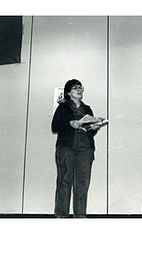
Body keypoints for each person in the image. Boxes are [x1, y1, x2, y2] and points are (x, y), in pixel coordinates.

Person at [51, 79, 101, 218]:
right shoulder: (63, 107)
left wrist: (94, 127)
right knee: (64, 181)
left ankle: (80, 215)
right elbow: (54, 127)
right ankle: (61, 215)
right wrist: (69, 124)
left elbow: (89, 130)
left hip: (86, 149)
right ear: (68, 92)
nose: (79, 90)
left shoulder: (87, 109)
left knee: (82, 183)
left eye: (81, 87)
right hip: (67, 148)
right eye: (75, 88)